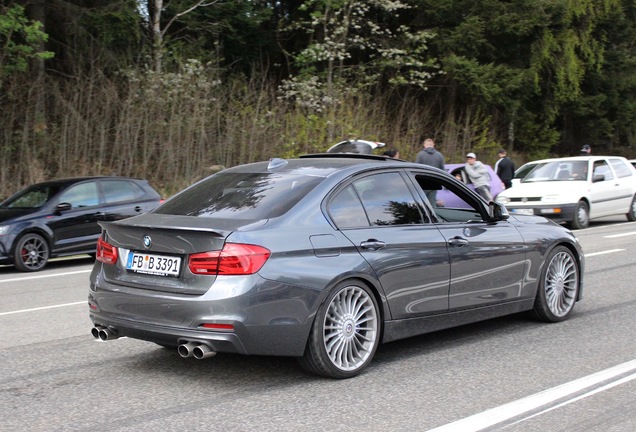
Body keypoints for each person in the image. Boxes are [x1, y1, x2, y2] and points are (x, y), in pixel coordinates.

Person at [415, 137, 445, 205]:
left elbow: (416, 169)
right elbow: (442, 170)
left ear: (424, 145)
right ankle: (433, 215)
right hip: (434, 183)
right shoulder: (439, 155)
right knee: (432, 204)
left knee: (422, 204)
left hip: (422, 183)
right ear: (433, 145)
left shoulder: (420, 155)